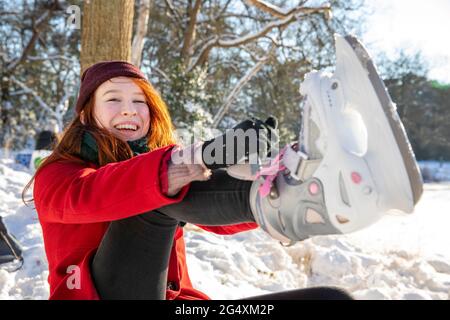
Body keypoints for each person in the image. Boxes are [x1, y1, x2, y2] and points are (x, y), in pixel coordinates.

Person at [22, 61, 352, 300]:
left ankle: (302, 188)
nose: (129, 110)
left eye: (140, 101)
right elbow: (94, 194)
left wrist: (261, 175)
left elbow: (215, 218)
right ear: (85, 114)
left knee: (330, 299)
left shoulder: (158, 166)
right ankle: (292, 195)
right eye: (113, 99)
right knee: (152, 198)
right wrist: (195, 158)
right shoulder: (59, 173)